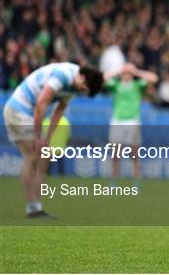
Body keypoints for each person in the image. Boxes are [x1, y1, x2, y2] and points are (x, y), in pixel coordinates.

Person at [3, 62, 103, 218]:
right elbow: (42, 103)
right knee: (33, 156)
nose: (81, 91)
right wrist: (38, 136)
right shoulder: (62, 76)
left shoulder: (74, 84)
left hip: (29, 114)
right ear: (82, 76)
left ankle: (36, 206)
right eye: (83, 88)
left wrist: (47, 138)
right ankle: (32, 207)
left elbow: (59, 110)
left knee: (44, 156)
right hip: (19, 110)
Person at [104, 63, 158, 182]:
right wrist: (118, 70)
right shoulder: (116, 85)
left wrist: (136, 71)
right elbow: (103, 78)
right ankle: (114, 180)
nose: (127, 74)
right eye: (125, 72)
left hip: (132, 120)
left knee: (134, 154)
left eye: (129, 72)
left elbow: (154, 78)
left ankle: (136, 180)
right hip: (117, 120)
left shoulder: (137, 85)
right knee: (115, 154)